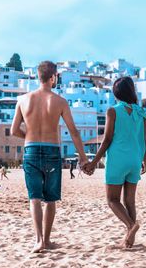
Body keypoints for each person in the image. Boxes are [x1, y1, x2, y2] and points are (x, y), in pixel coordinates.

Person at [11, 60, 88, 253]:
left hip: (31, 151)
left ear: (39, 77)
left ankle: (38, 241)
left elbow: (13, 130)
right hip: (52, 151)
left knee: (34, 198)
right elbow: (74, 132)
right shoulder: (60, 101)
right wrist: (83, 157)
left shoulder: (23, 100)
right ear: (53, 77)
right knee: (50, 199)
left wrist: (28, 137)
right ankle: (47, 240)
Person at [83, 77, 146, 248]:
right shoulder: (140, 112)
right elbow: (143, 139)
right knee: (129, 201)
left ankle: (131, 226)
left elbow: (107, 140)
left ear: (116, 93)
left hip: (118, 160)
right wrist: (144, 159)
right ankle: (129, 240)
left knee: (112, 200)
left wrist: (94, 162)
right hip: (135, 159)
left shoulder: (113, 111)